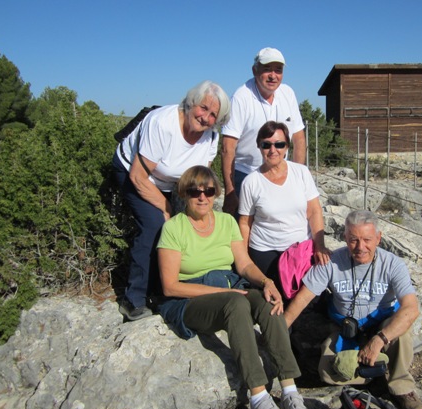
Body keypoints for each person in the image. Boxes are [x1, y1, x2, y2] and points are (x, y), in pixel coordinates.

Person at [156, 165, 310, 409]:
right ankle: (259, 398)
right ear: (184, 194)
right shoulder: (174, 228)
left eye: (208, 191)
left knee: (266, 302)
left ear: (215, 193)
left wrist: (267, 282)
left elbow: (244, 264)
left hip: (229, 287)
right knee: (234, 303)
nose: (202, 197)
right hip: (189, 298)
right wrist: (221, 292)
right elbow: (170, 286)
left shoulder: (227, 222)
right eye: (194, 191)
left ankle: (290, 389)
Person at [284, 210, 422, 409]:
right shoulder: (331, 262)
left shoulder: (393, 264)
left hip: (381, 324)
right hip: (346, 326)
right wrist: (280, 330)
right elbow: (303, 298)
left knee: (401, 335)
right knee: (327, 372)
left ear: (378, 238)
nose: (360, 247)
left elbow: (411, 309)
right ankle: (374, 375)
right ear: (345, 237)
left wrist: (379, 340)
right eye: (353, 240)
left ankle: (402, 387)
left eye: (367, 240)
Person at [112, 81, 231, 321]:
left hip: (170, 181)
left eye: (213, 115)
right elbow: (138, 176)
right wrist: (166, 209)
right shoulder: (163, 124)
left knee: (183, 226)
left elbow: (197, 179)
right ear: (190, 103)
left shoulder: (210, 137)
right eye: (203, 108)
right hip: (134, 172)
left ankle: (167, 289)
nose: (206, 117)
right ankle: (133, 298)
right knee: (156, 224)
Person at [238, 121, 330, 298]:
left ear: (287, 146)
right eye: (266, 145)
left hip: (300, 249)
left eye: (279, 144)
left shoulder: (301, 173)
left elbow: (314, 211)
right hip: (265, 250)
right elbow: (245, 223)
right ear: (259, 147)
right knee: (274, 298)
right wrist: (243, 260)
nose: (273, 150)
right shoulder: (251, 182)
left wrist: (320, 246)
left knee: (307, 299)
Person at [221, 47, 306, 215]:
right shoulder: (241, 97)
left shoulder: (288, 94)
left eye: (278, 70)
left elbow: (299, 139)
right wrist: (230, 192)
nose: (273, 75)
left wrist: (297, 177)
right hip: (246, 173)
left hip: (281, 172)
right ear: (255, 70)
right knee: (244, 225)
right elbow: (227, 148)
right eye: (267, 69)